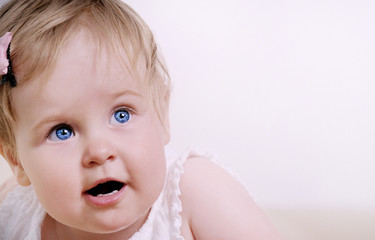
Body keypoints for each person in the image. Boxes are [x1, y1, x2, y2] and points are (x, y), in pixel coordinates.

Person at [0, 0, 280, 239]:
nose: (99, 152)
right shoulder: (12, 212)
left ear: (161, 116)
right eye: (62, 131)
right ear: (16, 160)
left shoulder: (197, 195)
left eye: (121, 115)